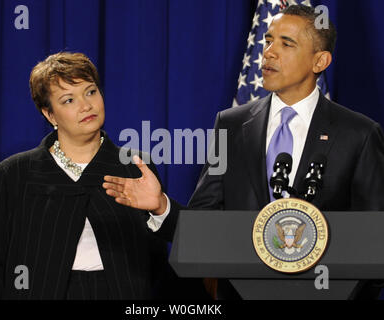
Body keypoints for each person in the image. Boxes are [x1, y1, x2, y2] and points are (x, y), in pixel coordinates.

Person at [102, 5, 384, 299]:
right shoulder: (231, 125)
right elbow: (205, 224)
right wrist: (162, 206)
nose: (270, 52)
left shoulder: (359, 134)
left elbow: (374, 240)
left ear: (320, 61)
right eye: (268, 40)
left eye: (286, 43)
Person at [0, 52, 178, 300]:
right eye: (69, 100)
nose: (86, 106)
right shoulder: (14, 173)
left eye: (91, 92)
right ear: (49, 114)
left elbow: (159, 258)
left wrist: (160, 207)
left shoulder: (134, 166)